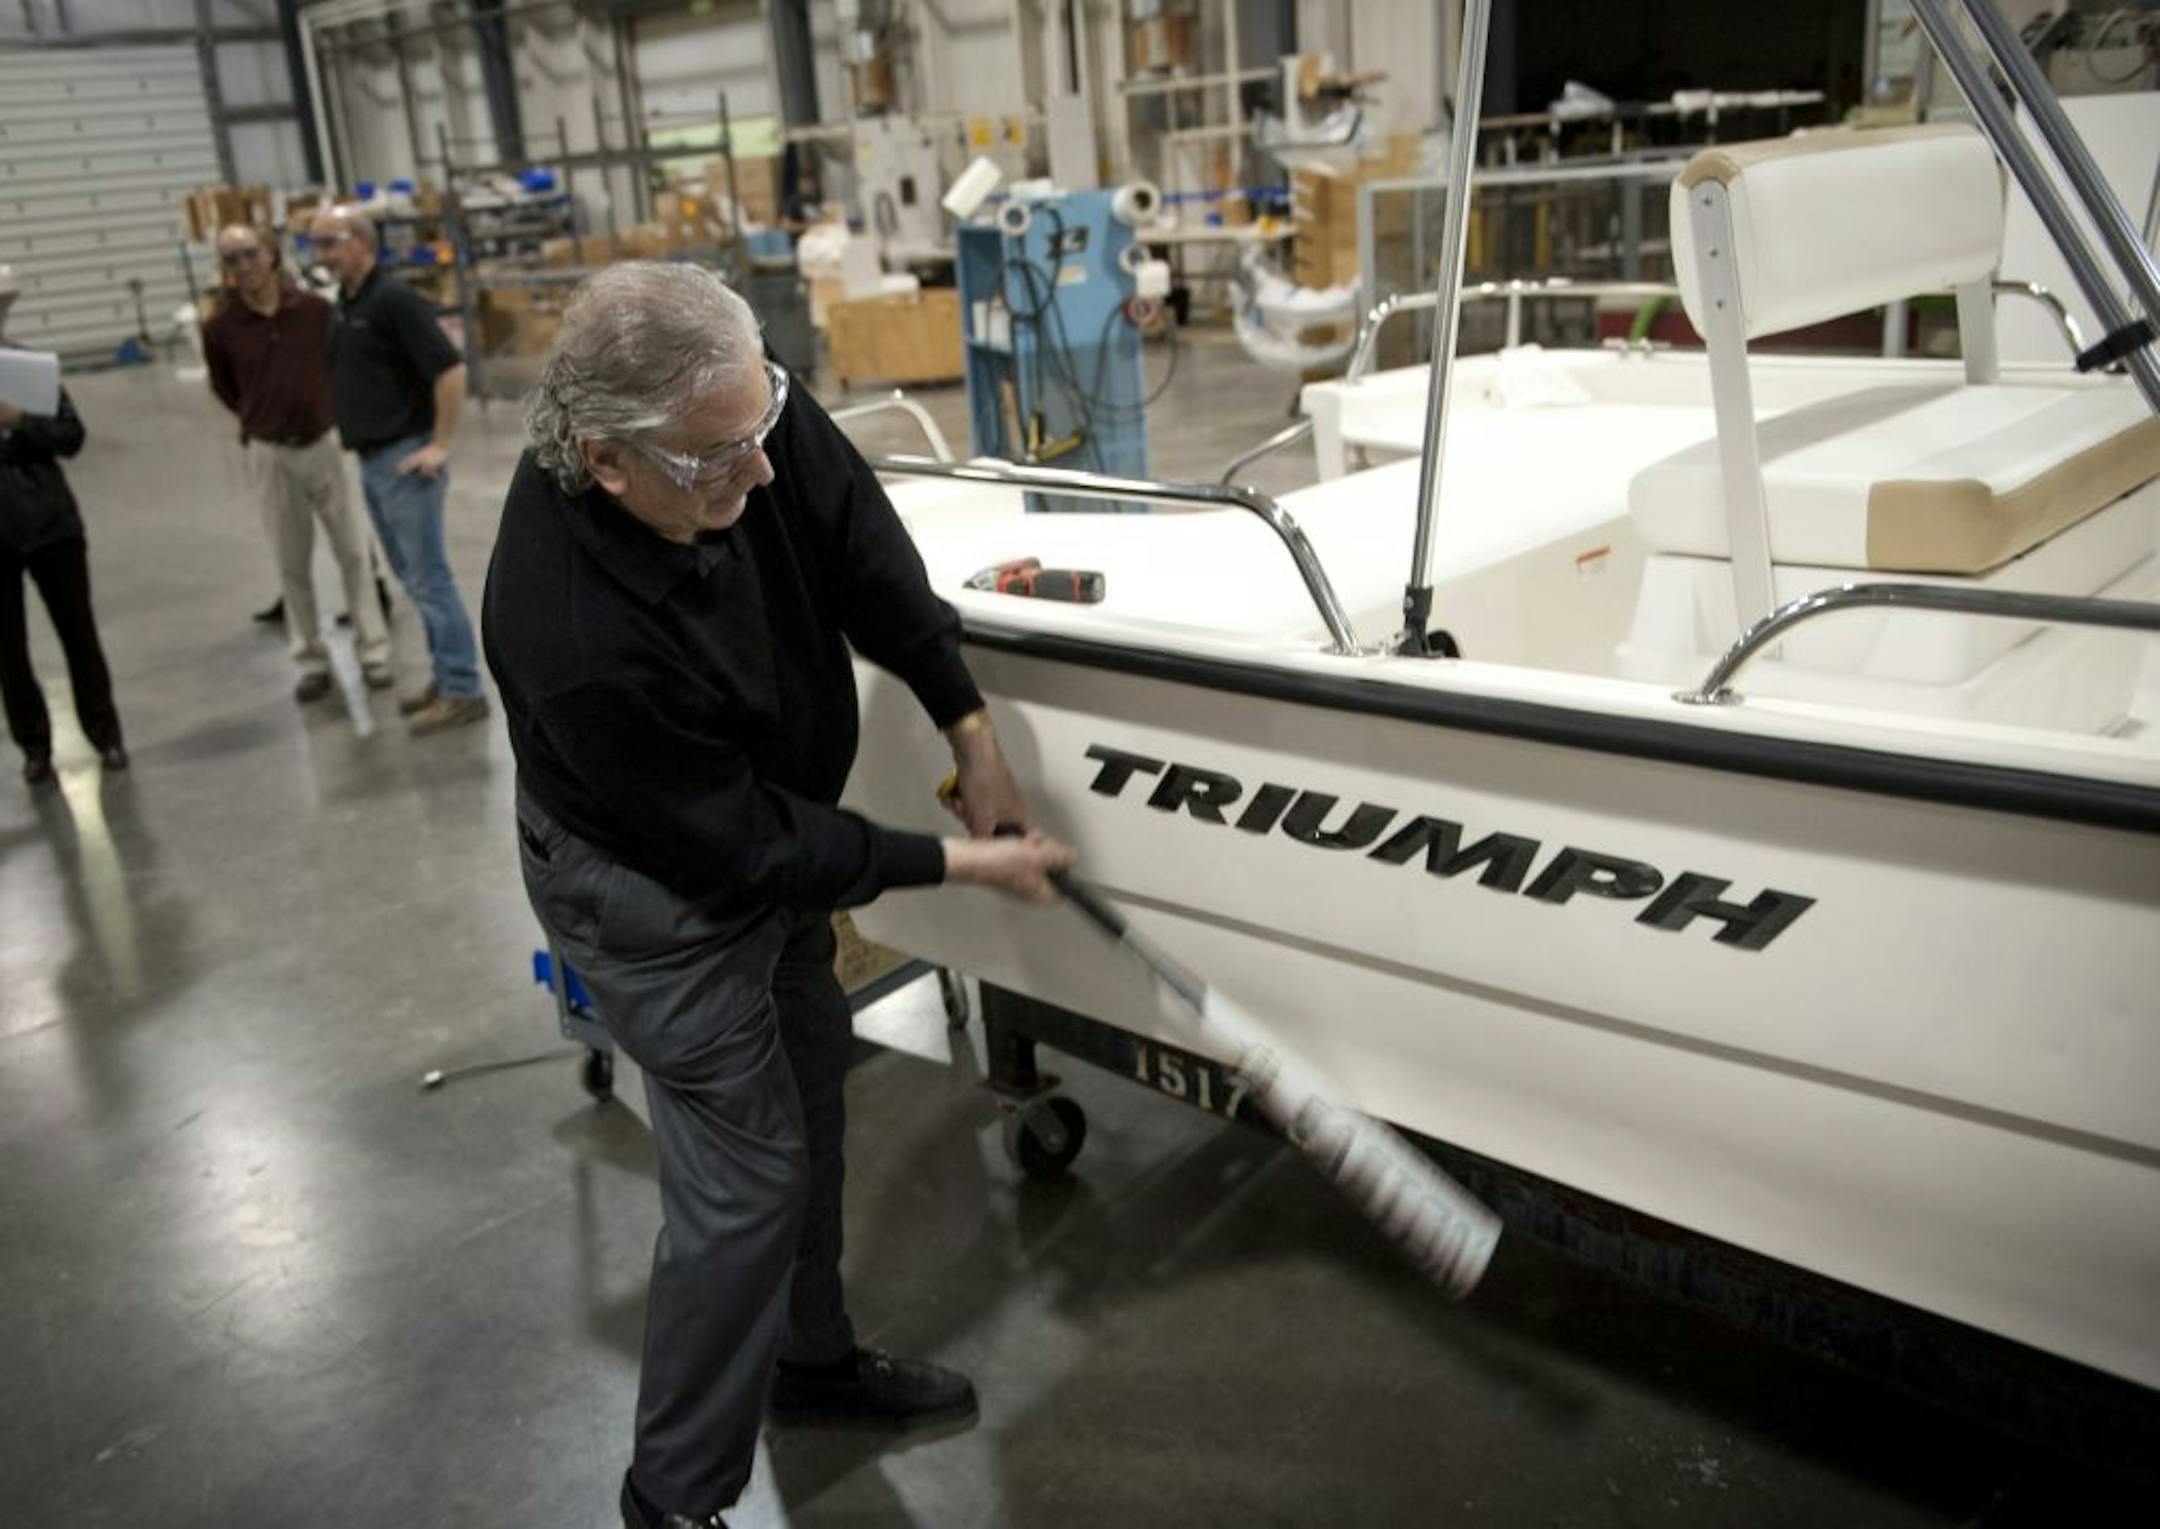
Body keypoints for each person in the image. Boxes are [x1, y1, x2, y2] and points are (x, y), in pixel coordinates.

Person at [484, 262, 1075, 1529]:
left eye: (765, 431)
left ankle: (810, 1361)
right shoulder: (573, 634)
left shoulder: (722, 401)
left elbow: (856, 535)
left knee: (811, 1076)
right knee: (744, 1182)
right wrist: (958, 864)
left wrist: (964, 723)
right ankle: (673, 1501)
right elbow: (743, 847)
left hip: (748, 826)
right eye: (720, 464)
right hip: (648, 888)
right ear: (607, 463)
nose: (759, 478)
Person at [308, 205, 488, 734]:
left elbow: (450, 369)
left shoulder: (393, 299)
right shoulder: (346, 302)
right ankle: (446, 677)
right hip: (372, 462)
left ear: (362, 241)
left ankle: (462, 689)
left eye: (329, 243)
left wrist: (439, 444)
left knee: (430, 580)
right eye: (314, 245)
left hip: (405, 461)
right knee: (412, 579)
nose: (320, 255)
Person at [204, 223, 396, 703]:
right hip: (271, 452)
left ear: (270, 254)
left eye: (249, 253)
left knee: (353, 551)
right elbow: (226, 388)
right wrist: (259, 418)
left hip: (326, 444)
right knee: (290, 561)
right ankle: (310, 658)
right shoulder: (220, 330)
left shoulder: (315, 312)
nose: (243, 266)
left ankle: (373, 650)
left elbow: (340, 367)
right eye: (231, 259)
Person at [0, 265, 126, 784]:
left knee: (79, 634)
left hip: (51, 523)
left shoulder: (27, 367)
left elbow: (70, 436)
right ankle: (34, 745)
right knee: (8, 651)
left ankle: (106, 734)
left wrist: (19, 422)